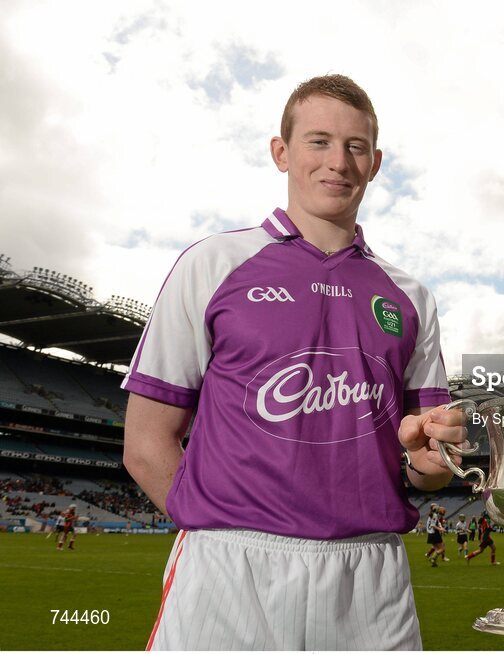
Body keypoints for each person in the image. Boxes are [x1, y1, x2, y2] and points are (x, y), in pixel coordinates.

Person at [121, 74, 467, 651]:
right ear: (281, 152)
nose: (338, 162)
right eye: (318, 141)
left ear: (376, 162)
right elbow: (146, 442)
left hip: (369, 575)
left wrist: (428, 458)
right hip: (229, 566)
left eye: (355, 147)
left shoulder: (410, 297)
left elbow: (430, 468)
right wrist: (213, 531)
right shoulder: (212, 265)